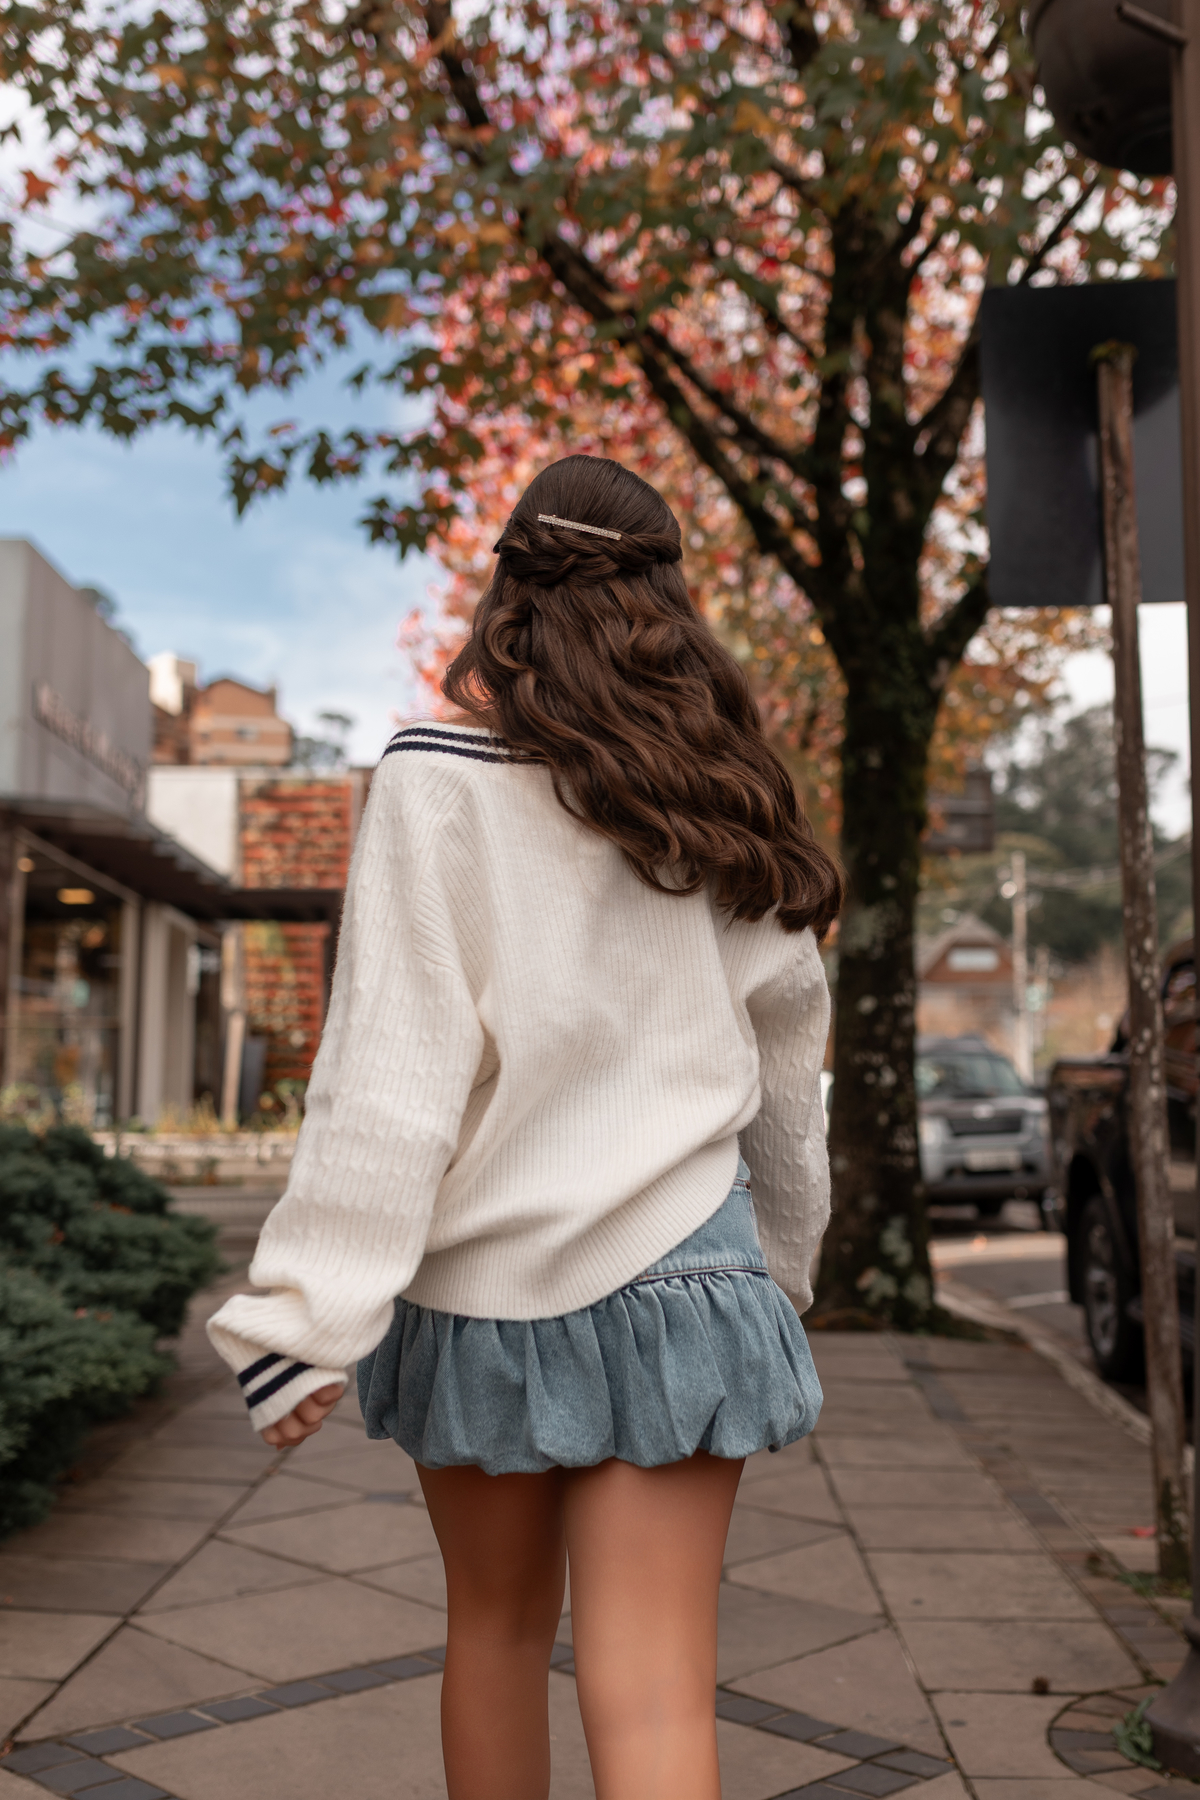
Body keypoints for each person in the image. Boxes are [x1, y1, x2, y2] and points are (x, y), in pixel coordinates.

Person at [207, 454, 842, 1800]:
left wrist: (304, 1319)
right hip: (690, 1276)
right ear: (670, 600)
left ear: (507, 593)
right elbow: (790, 1071)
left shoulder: (434, 782)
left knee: (494, 1636)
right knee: (661, 1685)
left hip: (484, 1291)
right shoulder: (728, 798)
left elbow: (390, 1070)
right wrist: (782, 1271)